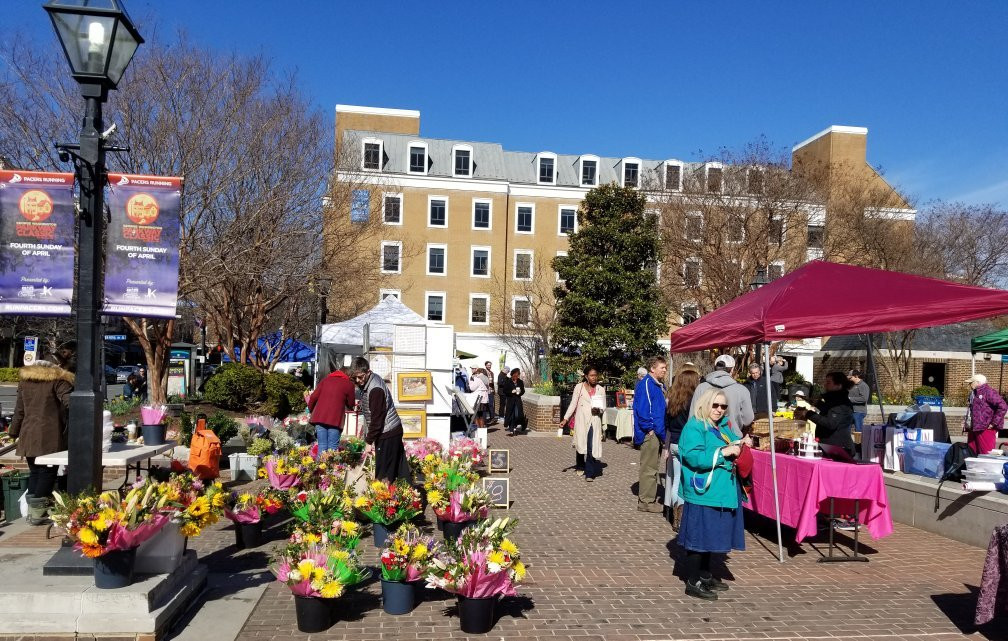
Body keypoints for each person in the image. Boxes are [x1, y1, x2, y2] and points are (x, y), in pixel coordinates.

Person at [677, 387, 747, 601]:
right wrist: (724, 452)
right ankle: (693, 580)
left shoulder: (722, 426)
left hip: (721, 491)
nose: (718, 410)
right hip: (704, 492)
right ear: (705, 405)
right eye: (715, 405)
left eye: (723, 406)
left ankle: (706, 574)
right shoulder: (695, 426)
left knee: (713, 537)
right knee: (700, 538)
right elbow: (692, 457)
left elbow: (733, 442)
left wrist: (741, 442)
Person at [9, 342, 76, 525]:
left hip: (28, 435)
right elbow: (71, 403)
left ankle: (31, 513)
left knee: (36, 473)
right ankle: (38, 515)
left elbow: (19, 411)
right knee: (47, 473)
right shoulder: (58, 380)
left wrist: (13, 432)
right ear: (58, 366)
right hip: (50, 436)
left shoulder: (26, 381)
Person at [350, 357, 409, 481]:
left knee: (385, 473)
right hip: (390, 430)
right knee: (398, 470)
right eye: (354, 378)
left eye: (360, 377)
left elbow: (377, 420)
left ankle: (385, 496)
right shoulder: (371, 381)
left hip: (388, 433)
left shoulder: (375, 389)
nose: (358, 380)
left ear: (368, 372)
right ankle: (403, 493)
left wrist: (368, 442)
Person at [664, 367, 701, 530]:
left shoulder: (672, 398)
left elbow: (667, 423)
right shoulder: (692, 400)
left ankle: (675, 514)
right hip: (686, 443)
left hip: (673, 442)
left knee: (676, 479)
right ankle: (681, 513)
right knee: (686, 480)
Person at [560, 365, 606, 482]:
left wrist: (599, 410)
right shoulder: (579, 387)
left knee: (591, 446)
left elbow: (603, 407)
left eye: (595, 375)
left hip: (594, 420)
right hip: (581, 419)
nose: (594, 378)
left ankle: (589, 473)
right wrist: (565, 418)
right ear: (586, 376)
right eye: (591, 375)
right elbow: (573, 403)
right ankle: (580, 465)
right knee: (580, 443)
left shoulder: (601, 389)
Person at [633, 356, 667, 512]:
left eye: (665, 368)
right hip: (650, 433)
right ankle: (646, 501)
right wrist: (649, 429)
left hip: (658, 432)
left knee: (653, 466)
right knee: (648, 467)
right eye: (662, 367)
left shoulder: (658, 385)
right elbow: (642, 409)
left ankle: (649, 499)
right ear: (653, 368)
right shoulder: (647, 384)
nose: (665, 370)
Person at [691, 355, 753, 438]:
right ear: (732, 369)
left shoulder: (701, 387)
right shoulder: (742, 390)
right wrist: (736, 423)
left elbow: (693, 414)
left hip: (704, 437)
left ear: (715, 367)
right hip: (732, 437)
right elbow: (748, 418)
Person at [307, 357, 356, 453]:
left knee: (322, 446)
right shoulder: (349, 384)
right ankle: (331, 467)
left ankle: (320, 467)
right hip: (335, 420)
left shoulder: (325, 380)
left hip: (319, 418)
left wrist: (311, 410)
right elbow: (351, 403)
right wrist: (349, 406)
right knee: (332, 448)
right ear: (349, 375)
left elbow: (313, 397)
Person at [805, 371, 856, 456]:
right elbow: (828, 410)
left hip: (838, 449)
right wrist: (817, 403)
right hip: (828, 446)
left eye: (828, 382)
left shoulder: (841, 403)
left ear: (839, 385)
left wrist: (808, 414)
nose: (825, 385)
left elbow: (830, 423)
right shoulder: (833, 400)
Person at [965, 374, 1007, 455]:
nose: (969, 385)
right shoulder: (973, 393)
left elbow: (1003, 406)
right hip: (973, 428)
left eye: (971, 382)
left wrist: (993, 423)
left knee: (986, 453)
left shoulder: (989, 392)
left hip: (986, 429)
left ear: (978, 382)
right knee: (971, 452)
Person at [500, 368, 527, 435]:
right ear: (512, 375)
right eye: (515, 375)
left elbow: (523, 391)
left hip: (517, 400)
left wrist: (520, 392)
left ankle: (522, 423)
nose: (516, 377)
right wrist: (511, 392)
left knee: (518, 414)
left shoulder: (520, 382)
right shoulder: (508, 381)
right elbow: (504, 391)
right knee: (511, 414)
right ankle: (512, 429)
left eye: (517, 375)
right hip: (510, 400)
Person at [470, 367, 489, 433]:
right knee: (481, 415)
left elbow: (472, 388)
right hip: (484, 398)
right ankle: (482, 429)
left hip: (478, 398)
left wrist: (471, 382)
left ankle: (477, 429)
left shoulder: (477, 378)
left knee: (475, 414)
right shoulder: (486, 378)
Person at [484, 360, 497, 425]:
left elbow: (492, 382)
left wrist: (494, 390)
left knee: (491, 404)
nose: (489, 366)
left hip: (491, 390)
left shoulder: (492, 373)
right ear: (485, 365)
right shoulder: (484, 372)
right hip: (486, 391)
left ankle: (492, 418)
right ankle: (485, 419)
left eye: (490, 365)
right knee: (485, 405)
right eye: (488, 365)